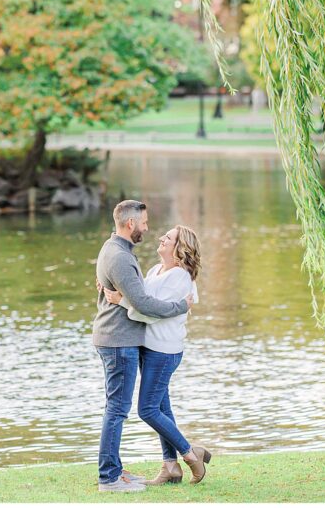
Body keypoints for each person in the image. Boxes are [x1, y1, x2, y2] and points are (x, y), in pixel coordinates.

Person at [93, 200, 194, 492]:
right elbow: (144, 303)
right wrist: (180, 307)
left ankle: (115, 469)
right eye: (144, 223)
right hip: (119, 340)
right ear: (130, 224)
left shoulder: (113, 250)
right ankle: (109, 478)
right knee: (118, 410)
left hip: (119, 339)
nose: (147, 229)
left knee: (118, 408)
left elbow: (135, 296)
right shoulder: (121, 257)